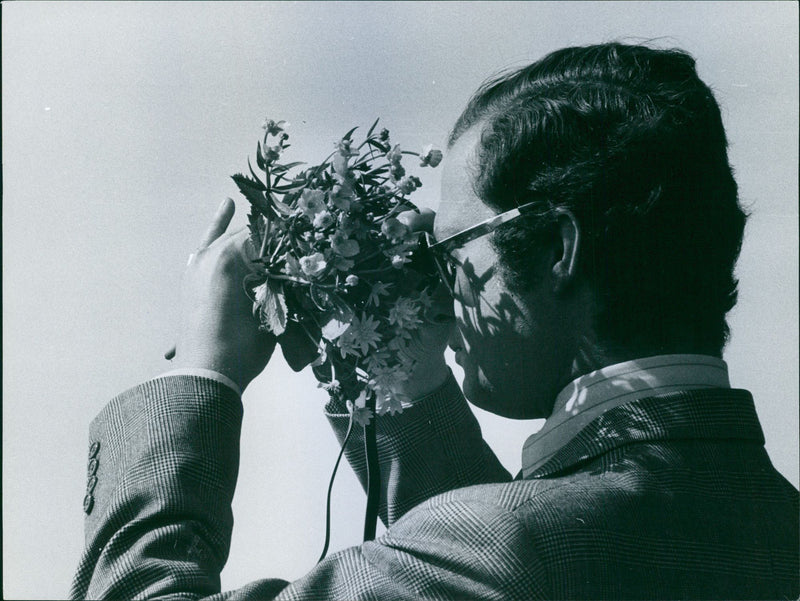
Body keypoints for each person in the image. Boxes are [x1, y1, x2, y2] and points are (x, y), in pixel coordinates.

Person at [71, 43, 799, 600]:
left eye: (448, 249)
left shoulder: (515, 546)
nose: (437, 282)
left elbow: (503, 551)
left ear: (555, 248)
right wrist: (406, 380)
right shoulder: (774, 522)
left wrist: (202, 369)